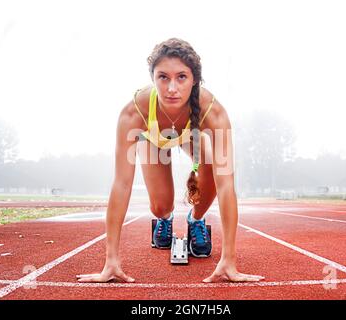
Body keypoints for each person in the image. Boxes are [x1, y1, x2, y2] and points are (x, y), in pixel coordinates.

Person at [76, 38, 265, 283]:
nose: (172, 88)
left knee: (215, 173)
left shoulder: (213, 111)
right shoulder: (134, 113)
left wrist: (229, 259)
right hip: (154, 141)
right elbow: (122, 184)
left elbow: (227, 184)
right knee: (160, 206)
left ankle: (195, 220)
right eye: (163, 77)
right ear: (152, 78)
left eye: (181, 77)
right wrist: (110, 260)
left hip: (190, 136)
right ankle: (164, 220)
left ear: (194, 79)